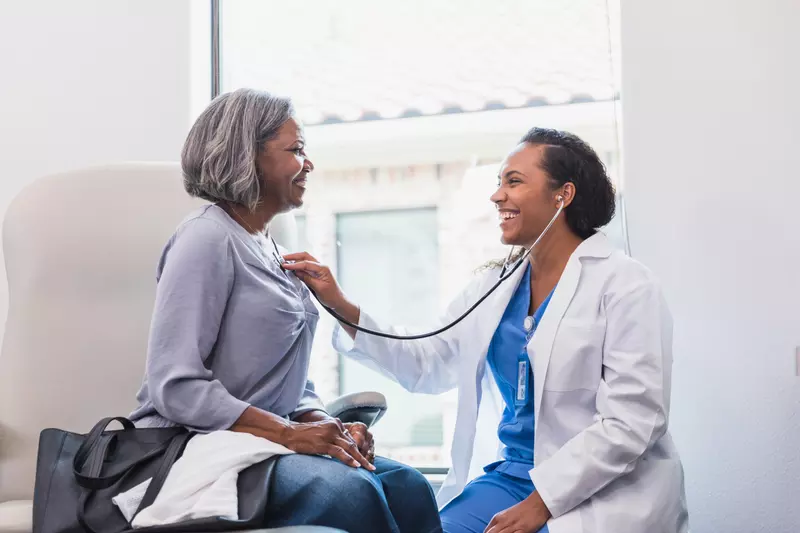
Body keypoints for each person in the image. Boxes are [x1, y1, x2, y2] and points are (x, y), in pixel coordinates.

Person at [283, 128, 689, 533]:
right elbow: (427, 361)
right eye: (499, 183)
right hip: (511, 478)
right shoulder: (495, 286)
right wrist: (338, 303)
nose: (497, 196)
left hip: (604, 490)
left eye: (514, 182)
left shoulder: (625, 285)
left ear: (562, 195)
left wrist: (542, 503)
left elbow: (634, 421)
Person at [129, 88, 442, 533]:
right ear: (247, 157)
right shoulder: (206, 239)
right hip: (194, 445)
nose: (308, 164)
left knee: (410, 487)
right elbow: (174, 386)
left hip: (262, 443)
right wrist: (290, 434)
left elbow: (291, 385)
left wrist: (327, 426)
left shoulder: (275, 252)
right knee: (350, 494)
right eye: (295, 150)